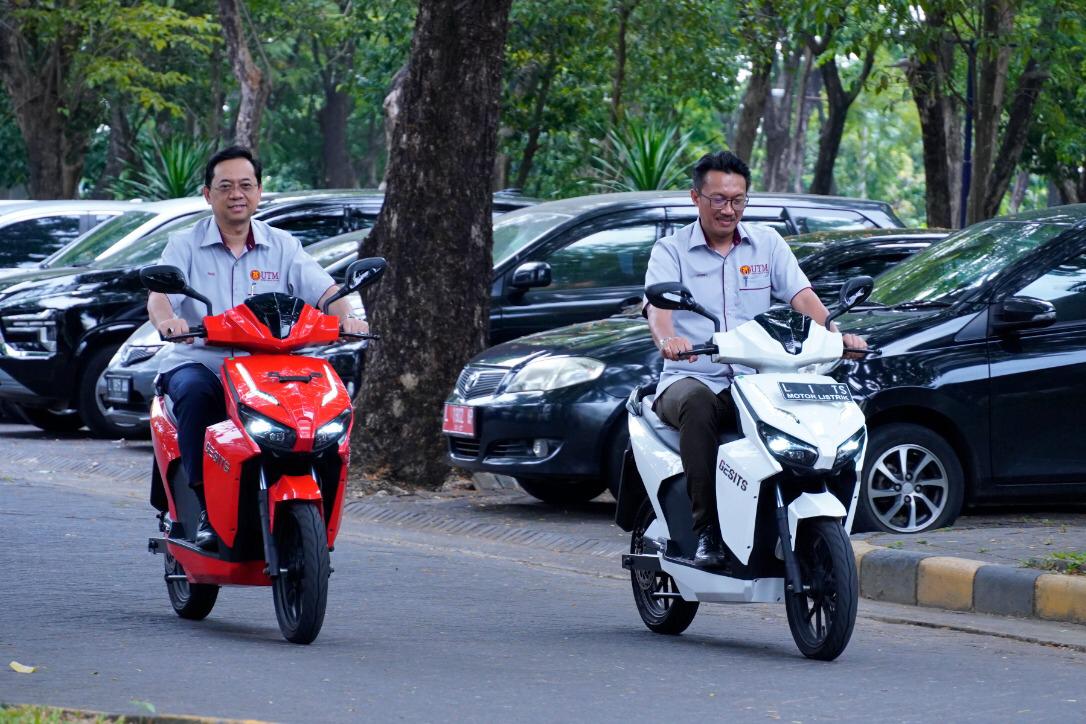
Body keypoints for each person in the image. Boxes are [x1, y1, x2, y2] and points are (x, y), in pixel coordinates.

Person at [644, 151, 866, 569]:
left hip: (758, 382)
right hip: (693, 376)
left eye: (738, 200)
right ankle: (706, 532)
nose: (729, 209)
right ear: (696, 198)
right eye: (718, 199)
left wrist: (837, 339)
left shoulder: (767, 244)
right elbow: (658, 309)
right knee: (697, 403)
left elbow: (803, 300)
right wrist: (668, 339)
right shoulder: (670, 250)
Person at [147, 146, 368, 549]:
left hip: (267, 370)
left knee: (320, 409)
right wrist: (168, 322)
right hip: (203, 362)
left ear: (259, 192)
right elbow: (161, 296)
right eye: (226, 186)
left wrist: (349, 317)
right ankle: (205, 512)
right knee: (197, 396)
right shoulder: (184, 245)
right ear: (207, 194)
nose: (237, 194)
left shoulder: (283, 245)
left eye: (245, 185)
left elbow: (327, 291)